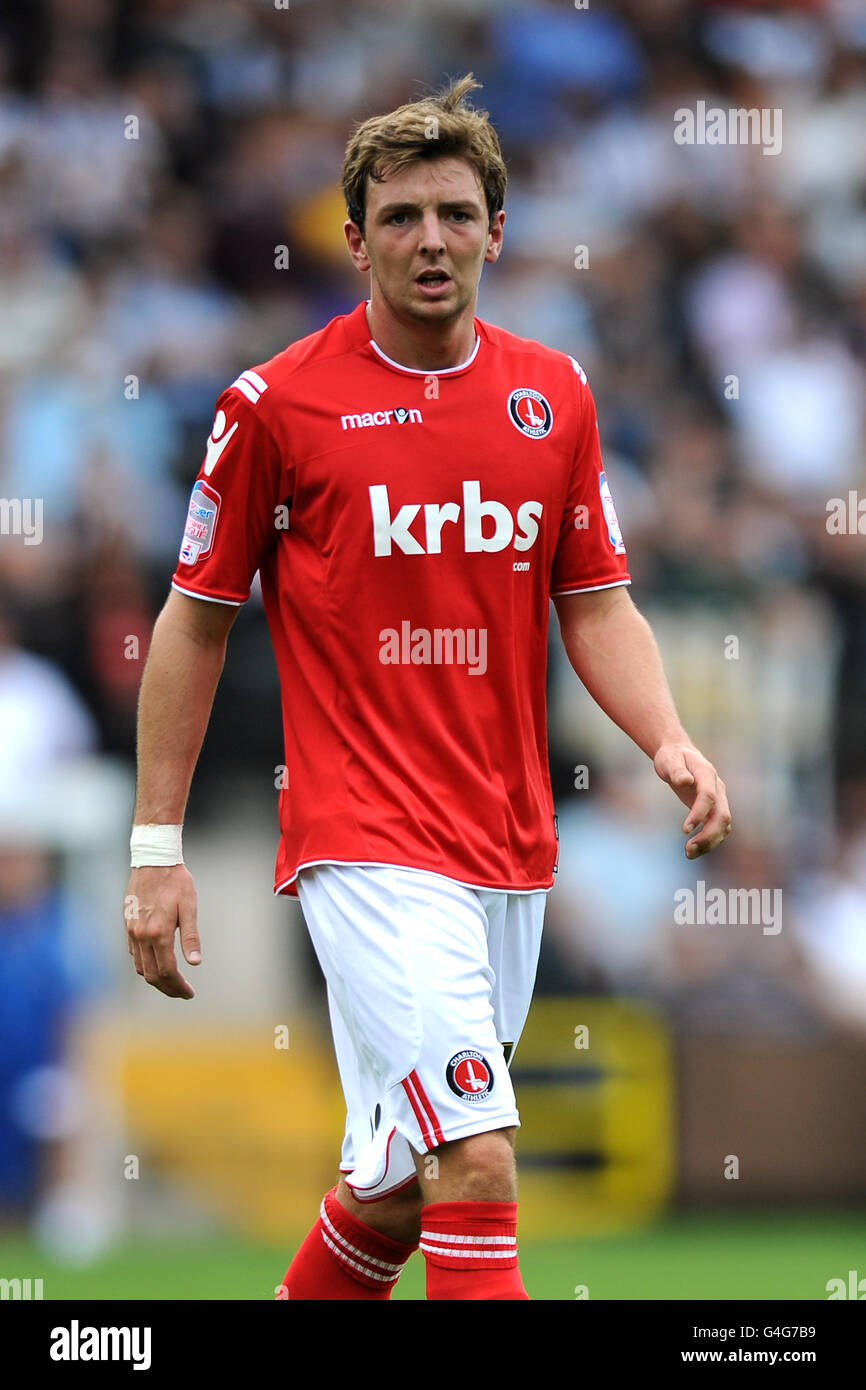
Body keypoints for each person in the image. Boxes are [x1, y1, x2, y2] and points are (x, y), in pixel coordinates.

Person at [124, 74, 731, 1302]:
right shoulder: (273, 405)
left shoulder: (550, 394)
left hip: (508, 845)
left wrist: (666, 737)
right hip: (365, 842)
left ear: (496, 231)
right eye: (399, 218)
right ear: (352, 240)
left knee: (397, 1184)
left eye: (455, 214)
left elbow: (594, 598)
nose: (430, 240)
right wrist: (153, 846)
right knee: (479, 1158)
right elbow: (191, 626)